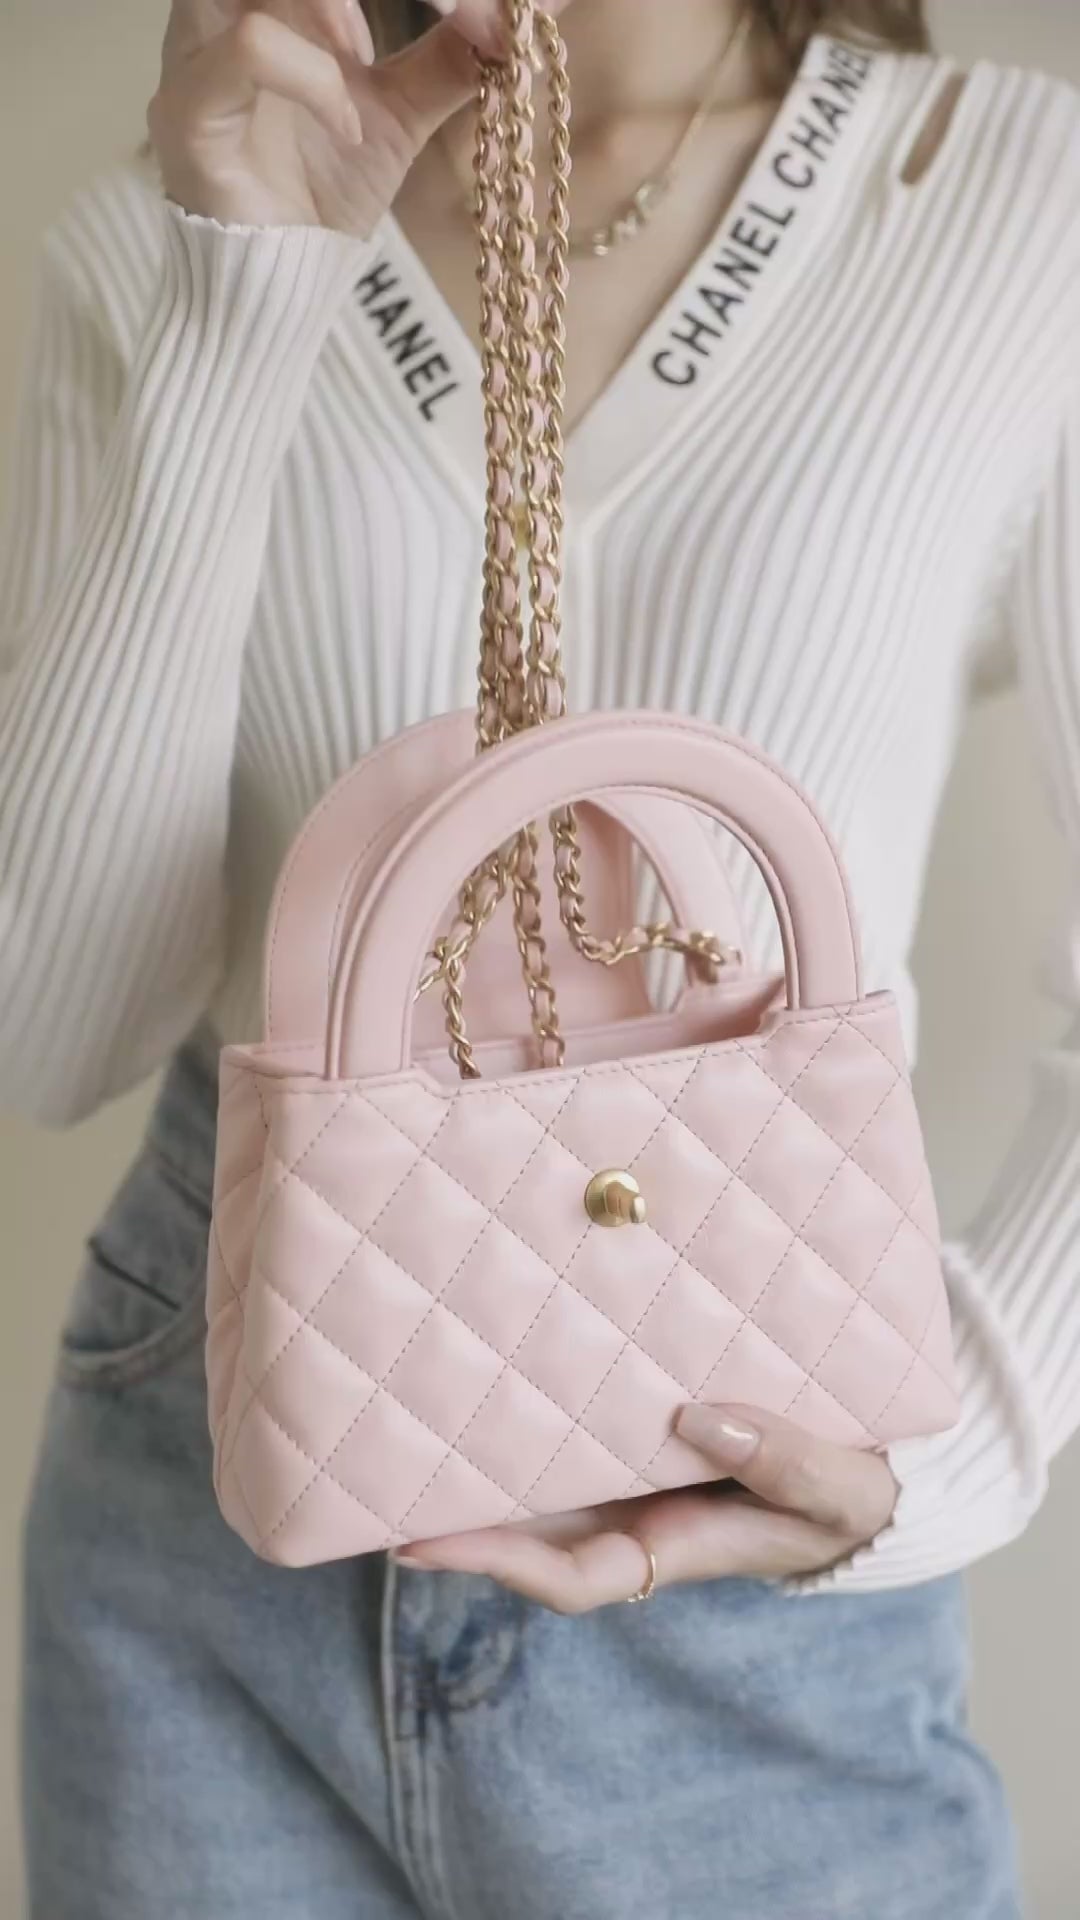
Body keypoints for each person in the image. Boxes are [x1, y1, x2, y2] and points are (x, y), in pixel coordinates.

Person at [3, 0, 1077, 1911]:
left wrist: (956, 1449)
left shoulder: (1016, 205)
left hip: (762, 1511)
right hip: (227, 1495)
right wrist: (241, 293)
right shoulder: (162, 232)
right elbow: (50, 1037)